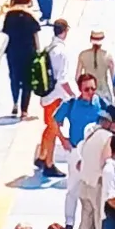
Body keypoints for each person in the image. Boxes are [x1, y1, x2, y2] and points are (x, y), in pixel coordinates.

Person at [54, 74, 104, 229]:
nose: (90, 92)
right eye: (86, 89)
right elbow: (55, 121)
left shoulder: (100, 102)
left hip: (95, 151)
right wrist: (63, 140)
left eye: (93, 89)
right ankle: (69, 222)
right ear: (80, 90)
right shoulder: (71, 104)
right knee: (73, 187)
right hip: (76, 149)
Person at [76, 108, 114, 229]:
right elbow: (107, 161)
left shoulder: (89, 135)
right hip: (96, 185)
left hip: (84, 183)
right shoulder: (107, 137)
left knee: (85, 224)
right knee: (100, 225)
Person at [37, 19, 74, 178]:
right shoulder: (62, 52)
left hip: (46, 95)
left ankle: (42, 156)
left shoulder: (49, 48)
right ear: (65, 31)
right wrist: (72, 95)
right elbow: (63, 80)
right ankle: (49, 164)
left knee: (49, 127)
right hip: (56, 97)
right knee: (53, 130)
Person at [2, 0, 41, 120]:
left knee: (14, 77)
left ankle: (15, 102)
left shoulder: (9, 15)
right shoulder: (30, 15)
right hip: (28, 52)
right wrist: (38, 52)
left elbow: (5, 34)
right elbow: (35, 35)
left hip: (12, 51)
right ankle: (24, 110)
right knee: (27, 81)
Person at [76, 31, 115, 104]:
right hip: (104, 92)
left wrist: (83, 90)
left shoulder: (83, 55)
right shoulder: (108, 56)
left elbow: (77, 77)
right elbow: (114, 80)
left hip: (89, 94)